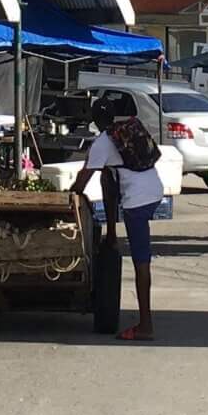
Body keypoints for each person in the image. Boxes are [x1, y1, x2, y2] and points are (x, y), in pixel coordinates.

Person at [75, 93, 165, 341]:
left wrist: (70, 195)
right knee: (109, 177)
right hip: (155, 190)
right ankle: (113, 237)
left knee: (141, 262)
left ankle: (145, 325)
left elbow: (83, 179)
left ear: (94, 119)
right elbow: (107, 183)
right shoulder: (128, 130)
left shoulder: (103, 142)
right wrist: (112, 234)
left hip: (137, 201)